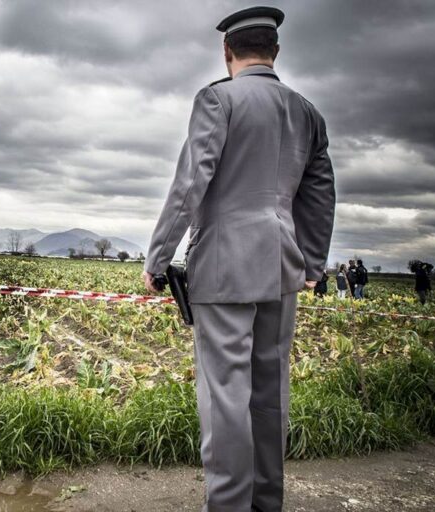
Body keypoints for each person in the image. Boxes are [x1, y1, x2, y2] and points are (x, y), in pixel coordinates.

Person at [142, 6, 335, 511]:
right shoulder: (306, 111)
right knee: (269, 395)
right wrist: (312, 264)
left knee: (226, 397)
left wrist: (158, 258)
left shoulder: (217, 99)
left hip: (224, 268)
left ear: (227, 51)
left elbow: (190, 183)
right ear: (275, 52)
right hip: (281, 269)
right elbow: (319, 196)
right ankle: (266, 503)